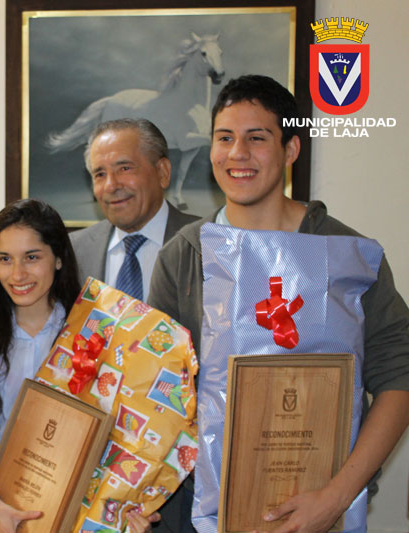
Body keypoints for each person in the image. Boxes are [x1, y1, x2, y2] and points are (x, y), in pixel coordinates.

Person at [148, 74, 409, 532]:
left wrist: (336, 497)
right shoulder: (185, 256)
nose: (237, 153)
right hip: (202, 513)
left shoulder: (346, 254)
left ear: (290, 149)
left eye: (257, 138)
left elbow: (399, 376)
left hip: (323, 509)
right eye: (224, 138)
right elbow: (157, 389)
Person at [0, 199, 159, 533]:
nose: (17, 274)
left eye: (32, 257)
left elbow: (124, 436)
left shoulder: (96, 335)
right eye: (5, 259)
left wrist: (130, 505)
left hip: (76, 520)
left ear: (59, 258)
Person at [70, 118, 198, 302]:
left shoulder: (206, 243)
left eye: (124, 168)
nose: (111, 185)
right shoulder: (75, 250)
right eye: (100, 174)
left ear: (162, 172)